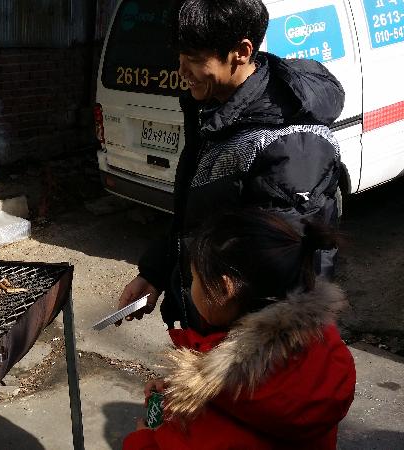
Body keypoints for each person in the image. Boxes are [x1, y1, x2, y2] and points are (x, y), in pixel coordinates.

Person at [117, 0, 344, 333]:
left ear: (241, 51)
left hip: (247, 343)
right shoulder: (216, 109)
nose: (181, 71)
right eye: (180, 57)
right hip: (209, 319)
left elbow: (283, 282)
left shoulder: (289, 144)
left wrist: (224, 357)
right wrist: (153, 274)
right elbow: (200, 217)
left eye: (194, 59)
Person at [123, 209, 355, 449]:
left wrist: (144, 440)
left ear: (224, 289)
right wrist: (180, 390)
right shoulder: (321, 349)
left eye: (194, 278)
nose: (192, 288)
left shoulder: (224, 385)